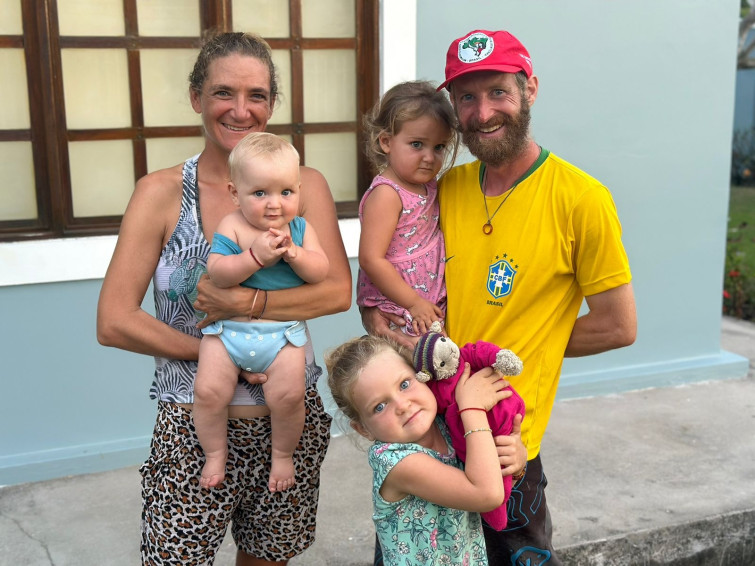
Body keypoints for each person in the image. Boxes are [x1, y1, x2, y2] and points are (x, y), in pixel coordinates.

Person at [363, 29, 637, 565]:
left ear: (529, 89)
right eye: (467, 97)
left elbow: (616, 325)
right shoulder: (446, 187)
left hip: (508, 446)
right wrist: (378, 316)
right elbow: (395, 265)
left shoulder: (581, 198)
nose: (482, 112)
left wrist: (516, 351)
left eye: (498, 93)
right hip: (426, 436)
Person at [97, 31, 351, 566]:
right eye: (223, 93)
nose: (241, 110)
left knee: (268, 560)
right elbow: (114, 319)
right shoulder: (162, 193)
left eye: (257, 95)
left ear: (273, 103)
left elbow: (335, 292)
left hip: (288, 423)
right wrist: (222, 356)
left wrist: (244, 310)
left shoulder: (303, 185)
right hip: (194, 424)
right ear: (196, 98)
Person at [194, 132, 329, 492]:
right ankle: (215, 453)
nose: (274, 204)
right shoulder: (232, 226)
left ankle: (282, 454)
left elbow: (321, 271)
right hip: (228, 334)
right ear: (235, 193)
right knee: (208, 392)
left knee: (289, 397)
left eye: (286, 192)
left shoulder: (299, 229)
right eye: (260, 193)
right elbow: (218, 273)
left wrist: (296, 255)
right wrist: (254, 257)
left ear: (299, 190)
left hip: (282, 335)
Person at [325, 335, 521, 566]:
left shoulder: (447, 424)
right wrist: (473, 407)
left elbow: (491, 480)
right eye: (379, 406)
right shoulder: (397, 462)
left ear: (424, 376)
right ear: (363, 429)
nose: (403, 405)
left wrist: (515, 460)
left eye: (405, 384)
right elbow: (487, 494)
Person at [357, 81, 458, 336]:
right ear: (387, 142)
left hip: (425, 301)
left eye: (439, 147)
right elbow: (371, 258)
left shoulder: (429, 185)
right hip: (399, 305)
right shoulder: (387, 194)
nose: (429, 156)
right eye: (417, 144)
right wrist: (413, 302)